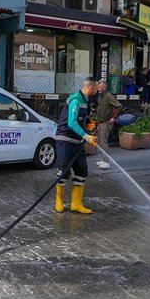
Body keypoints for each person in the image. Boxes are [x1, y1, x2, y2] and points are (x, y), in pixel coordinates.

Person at [54, 77, 97, 214]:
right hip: (65, 140)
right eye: (96, 88)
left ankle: (76, 204)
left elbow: (80, 120)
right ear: (91, 88)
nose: (96, 91)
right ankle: (59, 201)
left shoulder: (86, 101)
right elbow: (71, 123)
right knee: (63, 172)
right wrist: (87, 136)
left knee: (81, 171)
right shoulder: (75, 100)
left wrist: (88, 125)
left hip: (78, 142)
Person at [95, 79, 122, 158]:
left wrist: (113, 118)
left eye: (99, 87)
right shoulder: (101, 96)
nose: (97, 89)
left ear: (104, 88)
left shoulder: (109, 96)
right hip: (100, 122)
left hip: (106, 122)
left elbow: (119, 106)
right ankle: (103, 160)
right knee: (99, 141)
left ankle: (106, 161)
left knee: (103, 141)